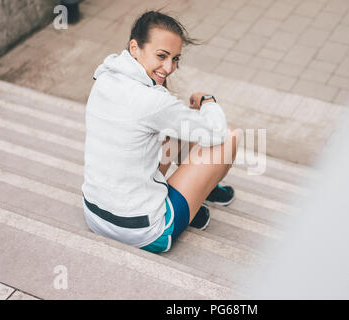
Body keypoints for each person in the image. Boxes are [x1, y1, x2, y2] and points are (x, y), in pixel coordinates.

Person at [81, 10, 241, 253]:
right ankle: (201, 195)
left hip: (94, 216)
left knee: (174, 130)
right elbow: (216, 133)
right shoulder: (153, 101)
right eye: (162, 56)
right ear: (135, 48)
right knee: (229, 136)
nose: (169, 67)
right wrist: (208, 101)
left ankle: (196, 194)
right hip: (145, 232)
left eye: (175, 58)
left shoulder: (105, 76)